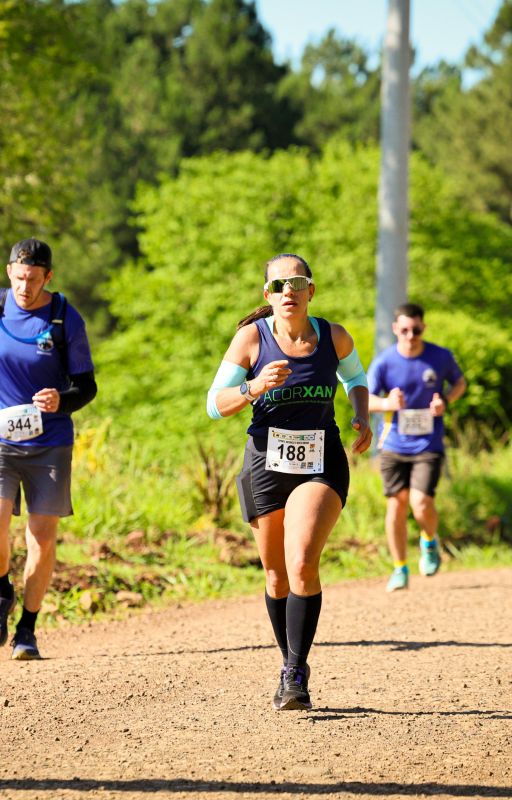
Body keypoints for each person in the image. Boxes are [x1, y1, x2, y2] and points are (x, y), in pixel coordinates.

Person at [206, 253, 371, 711]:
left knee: (301, 562)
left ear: (310, 290)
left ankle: (297, 671)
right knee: (276, 575)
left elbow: (356, 376)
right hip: (265, 462)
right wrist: (253, 387)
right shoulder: (250, 340)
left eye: (297, 283)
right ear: (268, 295)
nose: (288, 292)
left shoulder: (332, 336)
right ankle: (287, 661)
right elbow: (214, 405)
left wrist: (361, 412)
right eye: (279, 285)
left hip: (320, 461)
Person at [0, 238, 97, 659]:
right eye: (18, 278)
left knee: (42, 536)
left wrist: (62, 401)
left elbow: (87, 386)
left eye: (34, 280)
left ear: (48, 277)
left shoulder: (64, 318)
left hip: (50, 441)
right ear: (8, 272)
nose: (25, 288)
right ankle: (2, 592)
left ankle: (27, 630)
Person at [366, 302, 467, 592]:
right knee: (395, 506)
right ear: (396, 329)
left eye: (417, 329)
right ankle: (400, 568)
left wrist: (445, 401)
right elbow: (365, 399)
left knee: (421, 502)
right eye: (405, 330)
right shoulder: (384, 362)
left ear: (424, 327)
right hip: (393, 443)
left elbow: (460, 383)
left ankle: (429, 540)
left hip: (428, 443)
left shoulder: (440, 356)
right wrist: (387, 403)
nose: (411, 335)